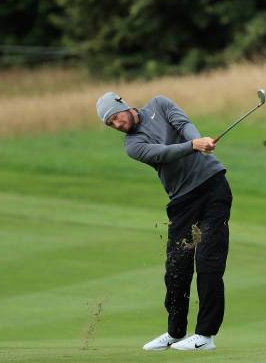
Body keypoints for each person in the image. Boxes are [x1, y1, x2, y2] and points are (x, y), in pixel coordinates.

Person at [96, 92, 233, 351]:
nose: (117, 125)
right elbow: (162, 153)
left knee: (208, 261)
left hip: (213, 187)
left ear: (122, 105)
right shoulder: (132, 145)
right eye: (110, 124)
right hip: (182, 202)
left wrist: (198, 140)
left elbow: (183, 124)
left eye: (115, 118)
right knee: (176, 271)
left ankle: (205, 336)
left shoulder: (160, 104)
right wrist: (193, 146)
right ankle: (175, 332)